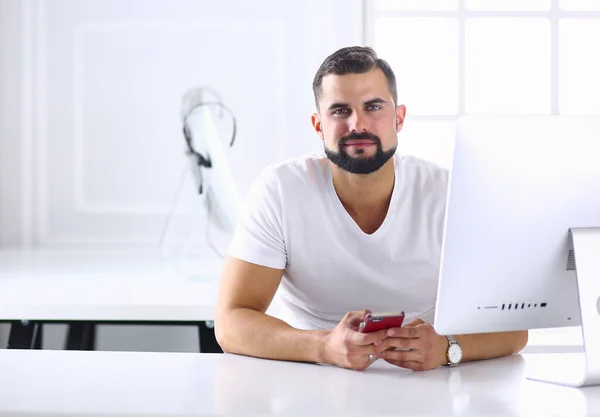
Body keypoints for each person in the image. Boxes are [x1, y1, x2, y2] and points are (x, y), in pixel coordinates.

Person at [215, 46, 528, 371]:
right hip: (311, 374)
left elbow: (515, 329)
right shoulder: (280, 190)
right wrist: (324, 347)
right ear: (318, 125)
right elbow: (230, 323)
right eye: (339, 111)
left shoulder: (448, 193)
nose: (357, 124)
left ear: (399, 117)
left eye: (373, 107)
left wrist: (447, 348)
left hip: (429, 380)